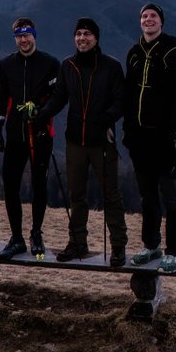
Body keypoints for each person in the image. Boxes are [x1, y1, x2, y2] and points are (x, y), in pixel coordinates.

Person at [39, 17, 128, 267]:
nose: (82, 38)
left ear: (96, 38)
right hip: (75, 141)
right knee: (76, 195)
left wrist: (108, 118)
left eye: (87, 34)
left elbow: (121, 100)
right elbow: (59, 98)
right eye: (78, 34)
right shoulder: (68, 66)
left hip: (102, 141)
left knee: (111, 195)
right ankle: (77, 242)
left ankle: (118, 247)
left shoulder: (111, 67)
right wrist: (41, 115)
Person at [124, 2, 176, 276]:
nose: (148, 20)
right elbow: (128, 94)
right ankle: (151, 245)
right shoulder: (134, 54)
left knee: (170, 197)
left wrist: (174, 132)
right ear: (140, 22)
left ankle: (175, 251)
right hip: (139, 139)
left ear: (161, 22)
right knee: (147, 195)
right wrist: (127, 130)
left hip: (163, 139)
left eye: (153, 16)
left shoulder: (173, 53)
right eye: (144, 16)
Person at [0, 16, 59, 260]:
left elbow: (57, 97)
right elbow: (0, 97)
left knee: (39, 184)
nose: (23, 39)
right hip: (15, 134)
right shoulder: (7, 64)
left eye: (27, 34)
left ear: (34, 36)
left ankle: (36, 233)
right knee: (10, 185)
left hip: (41, 133)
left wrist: (41, 112)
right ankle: (16, 238)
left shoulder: (50, 63)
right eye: (19, 36)